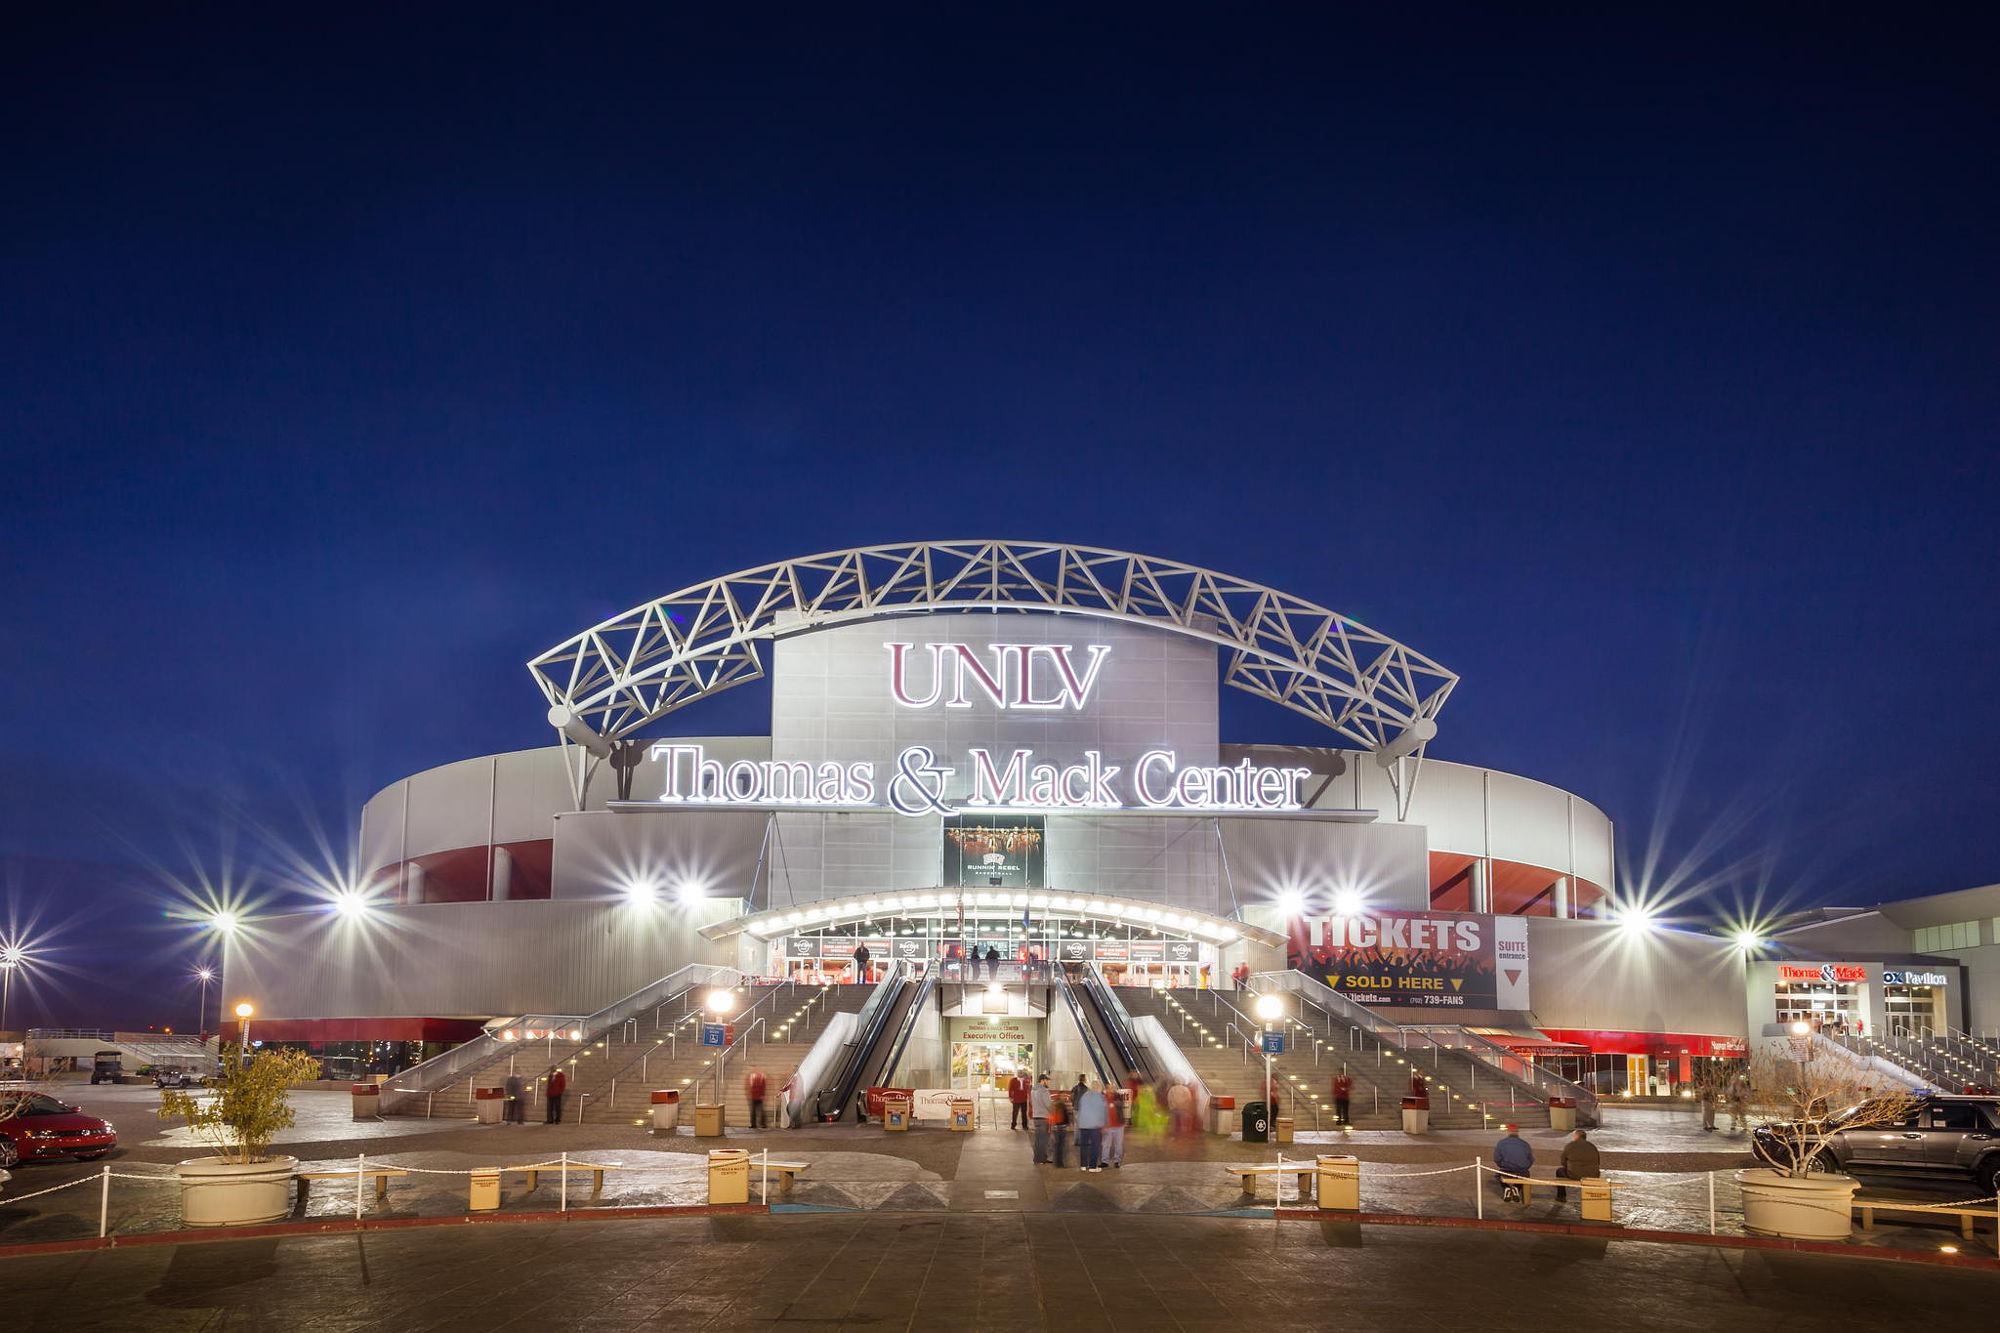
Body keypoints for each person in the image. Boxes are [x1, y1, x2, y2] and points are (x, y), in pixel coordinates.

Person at [1555, 1128, 1600, 1203]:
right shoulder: (1592, 1146)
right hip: (1593, 1175)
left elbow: (1563, 1161)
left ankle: (1561, 1196)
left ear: (1576, 1136)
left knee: (1559, 1171)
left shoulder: (1570, 1145)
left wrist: (1570, 1167)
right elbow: (1598, 1161)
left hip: (1575, 1175)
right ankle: (1591, 1196)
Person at [1494, 1124, 1533, 1200]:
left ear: (1508, 1132)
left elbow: (1496, 1158)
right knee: (1526, 1175)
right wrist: (1524, 1166)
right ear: (1517, 1132)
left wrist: (1502, 1165)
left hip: (1506, 1170)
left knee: (1498, 1175)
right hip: (1522, 1171)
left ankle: (1506, 1187)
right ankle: (1516, 1188)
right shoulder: (1525, 1144)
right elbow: (1530, 1159)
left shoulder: (1501, 1143)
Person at [1075, 1080, 1107, 1171]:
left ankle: (1083, 1165)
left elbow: (1080, 1109)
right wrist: (1104, 1124)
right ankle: (1092, 1166)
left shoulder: (1084, 1096)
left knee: (1084, 1145)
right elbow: (1103, 1112)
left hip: (1083, 1124)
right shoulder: (1100, 1097)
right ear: (1099, 1088)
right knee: (1095, 1146)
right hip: (1094, 1125)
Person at [1101, 1082, 1126, 1168]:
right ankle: (1104, 1161)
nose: (1111, 1089)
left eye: (1113, 1087)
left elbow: (1121, 1104)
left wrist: (1113, 1103)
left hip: (1119, 1125)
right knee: (1106, 1144)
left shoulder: (1118, 1096)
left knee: (1118, 1144)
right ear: (1106, 1088)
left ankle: (1117, 1161)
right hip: (1107, 1126)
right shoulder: (1102, 1097)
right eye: (1110, 1088)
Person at [1031, 1075, 1053, 1163]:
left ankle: (1036, 1158)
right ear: (1043, 1080)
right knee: (1043, 1139)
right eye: (1047, 1081)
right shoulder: (1044, 1091)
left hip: (1036, 1117)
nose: (1048, 1082)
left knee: (1037, 1139)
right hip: (1044, 1117)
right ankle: (1042, 1159)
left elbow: (1032, 1103)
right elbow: (1048, 1105)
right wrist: (1053, 1111)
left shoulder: (1033, 1090)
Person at [1048, 1085, 1071, 1168]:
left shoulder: (1056, 1103)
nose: (1065, 1097)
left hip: (1057, 1127)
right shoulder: (1060, 1104)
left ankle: (1057, 1163)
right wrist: (1067, 1124)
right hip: (1060, 1127)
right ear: (1060, 1096)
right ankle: (1060, 1163)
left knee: (1057, 1145)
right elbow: (1063, 1117)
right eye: (1063, 1095)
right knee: (1061, 1146)